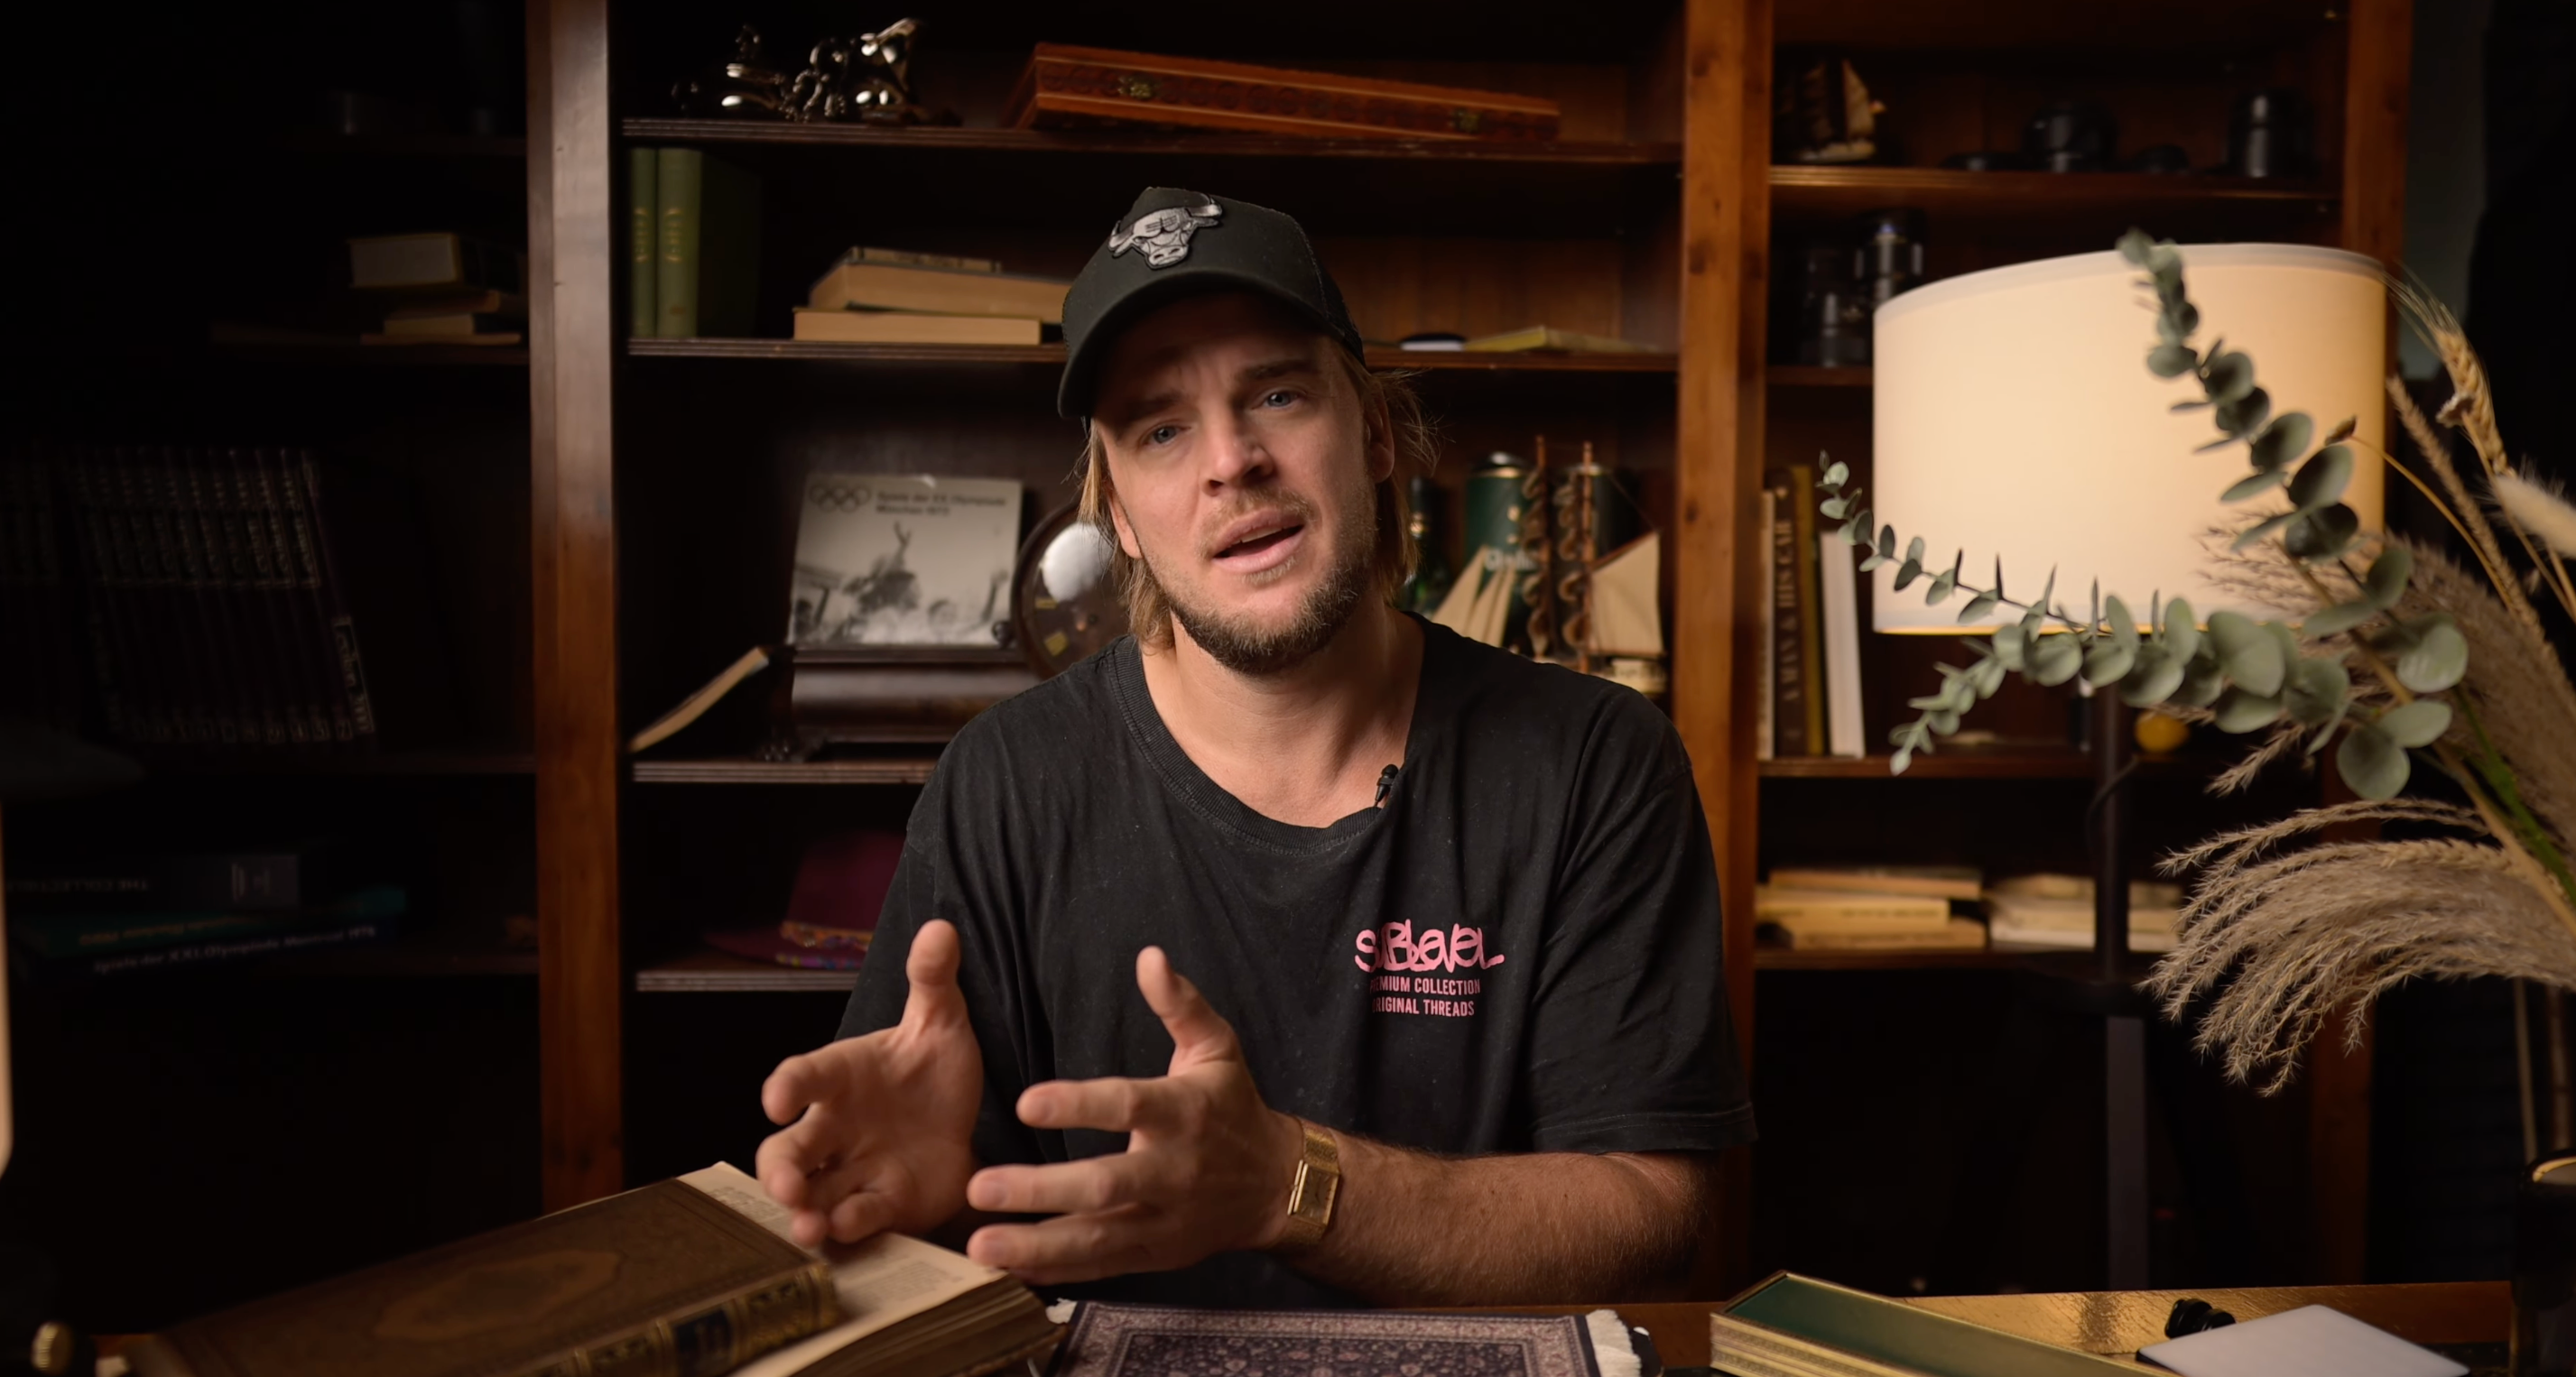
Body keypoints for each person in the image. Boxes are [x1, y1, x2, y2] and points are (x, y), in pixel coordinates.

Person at [757, 187, 1753, 1308]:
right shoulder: (1003, 783)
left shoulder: (1595, 760)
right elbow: (939, 1220)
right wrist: (929, 1198)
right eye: (1160, 426)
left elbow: (1649, 1212)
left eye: (1275, 392)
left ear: (1374, 432)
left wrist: (1285, 1183)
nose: (1231, 460)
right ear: (1121, 514)